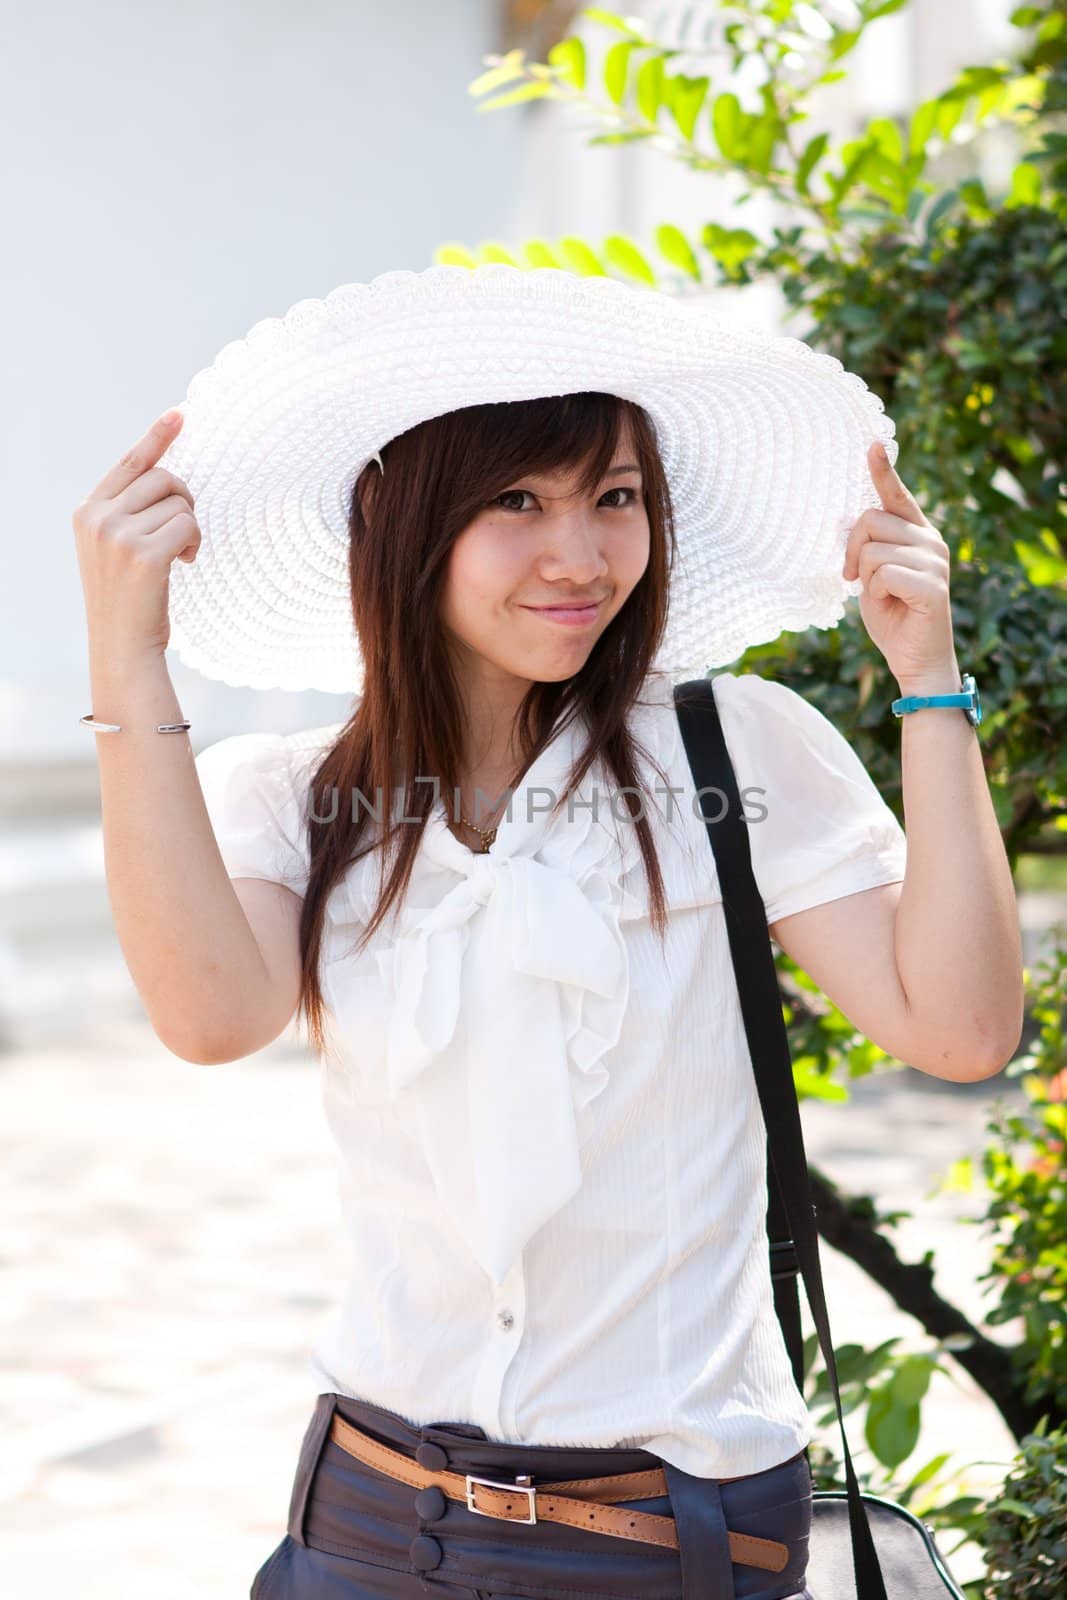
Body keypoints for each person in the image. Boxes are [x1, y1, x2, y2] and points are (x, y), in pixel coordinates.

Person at [72, 264, 1023, 1600]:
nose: (581, 554)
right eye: (518, 500)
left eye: (614, 499)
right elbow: (209, 1017)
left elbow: (965, 1028)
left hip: (669, 1545)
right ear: (404, 523)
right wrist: (126, 667)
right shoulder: (299, 800)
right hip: (366, 1525)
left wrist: (933, 684)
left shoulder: (731, 749)